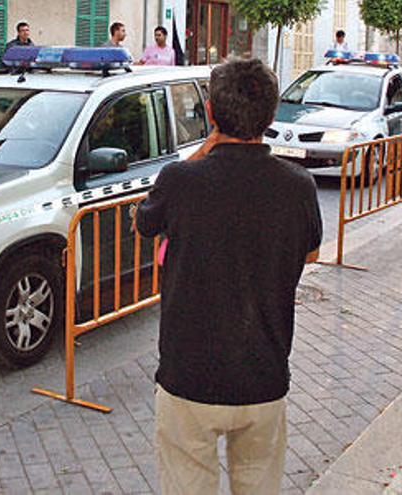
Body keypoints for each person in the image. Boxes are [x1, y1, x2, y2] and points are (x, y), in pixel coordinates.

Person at [136, 58, 322, 495]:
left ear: (211, 114)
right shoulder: (298, 185)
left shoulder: (179, 180)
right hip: (263, 377)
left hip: (188, 379)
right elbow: (310, 254)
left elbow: (144, 223)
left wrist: (206, 147)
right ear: (272, 117)